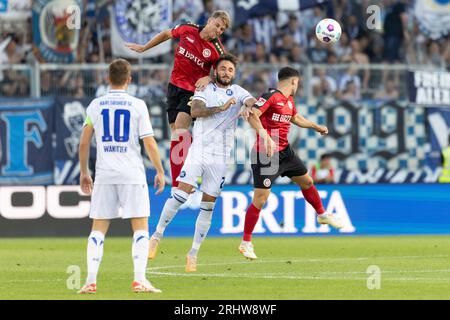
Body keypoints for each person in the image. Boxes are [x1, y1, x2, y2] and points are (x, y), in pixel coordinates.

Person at [147, 54, 256, 272]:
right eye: (223, 69)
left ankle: (193, 253)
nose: (226, 72)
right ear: (215, 71)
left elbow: (253, 101)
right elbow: (195, 111)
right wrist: (222, 108)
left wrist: (248, 106)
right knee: (180, 194)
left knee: (208, 206)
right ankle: (156, 236)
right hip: (199, 152)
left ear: (234, 73)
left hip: (221, 158)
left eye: (230, 70)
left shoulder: (239, 91)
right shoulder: (205, 89)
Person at [77, 59, 165, 294]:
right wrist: (159, 170)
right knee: (140, 227)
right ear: (129, 79)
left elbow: (84, 142)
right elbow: (149, 142)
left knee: (98, 229)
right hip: (131, 174)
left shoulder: (95, 105)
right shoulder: (138, 105)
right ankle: (139, 280)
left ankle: (90, 281)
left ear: (108, 78)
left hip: (104, 174)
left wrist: (85, 172)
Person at [239, 67, 343, 260]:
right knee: (260, 199)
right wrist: (266, 137)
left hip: (285, 152)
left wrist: (315, 126)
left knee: (307, 182)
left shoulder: (289, 101)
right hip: (266, 154)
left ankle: (322, 214)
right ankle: (246, 242)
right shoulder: (270, 96)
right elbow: (253, 115)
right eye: (298, 83)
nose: (298, 86)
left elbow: (295, 118)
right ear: (294, 81)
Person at [126, 10, 231, 191]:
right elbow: (167, 34)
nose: (219, 30)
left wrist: (209, 78)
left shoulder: (217, 50)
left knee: (181, 129)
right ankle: (181, 179)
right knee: (176, 133)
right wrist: (144, 48)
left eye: (222, 29)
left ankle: (181, 182)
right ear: (209, 20)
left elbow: (224, 74)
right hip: (174, 86)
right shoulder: (187, 29)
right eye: (217, 25)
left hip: (194, 92)